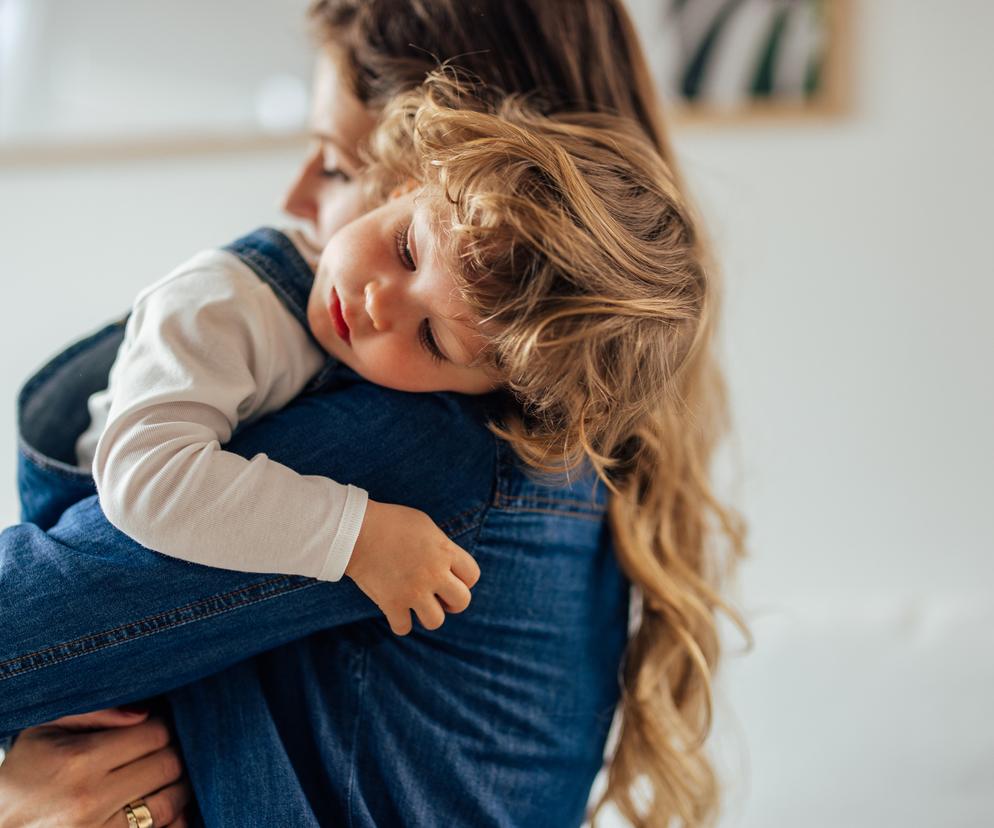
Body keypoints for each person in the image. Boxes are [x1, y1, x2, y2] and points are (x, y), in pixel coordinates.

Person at [0, 2, 748, 826]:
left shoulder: (430, 454)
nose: (292, 202)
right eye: (402, 244)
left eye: (338, 165)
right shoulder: (548, 448)